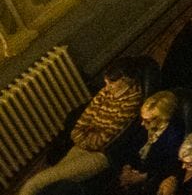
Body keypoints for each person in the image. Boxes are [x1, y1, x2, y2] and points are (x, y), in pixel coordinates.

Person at [19, 61, 143, 195]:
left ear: (125, 82)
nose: (106, 87)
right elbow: (82, 122)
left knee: (35, 182)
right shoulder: (105, 92)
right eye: (106, 83)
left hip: (100, 154)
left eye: (111, 84)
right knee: (52, 186)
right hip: (82, 146)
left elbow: (103, 139)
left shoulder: (131, 101)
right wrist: (83, 137)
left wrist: (85, 137)